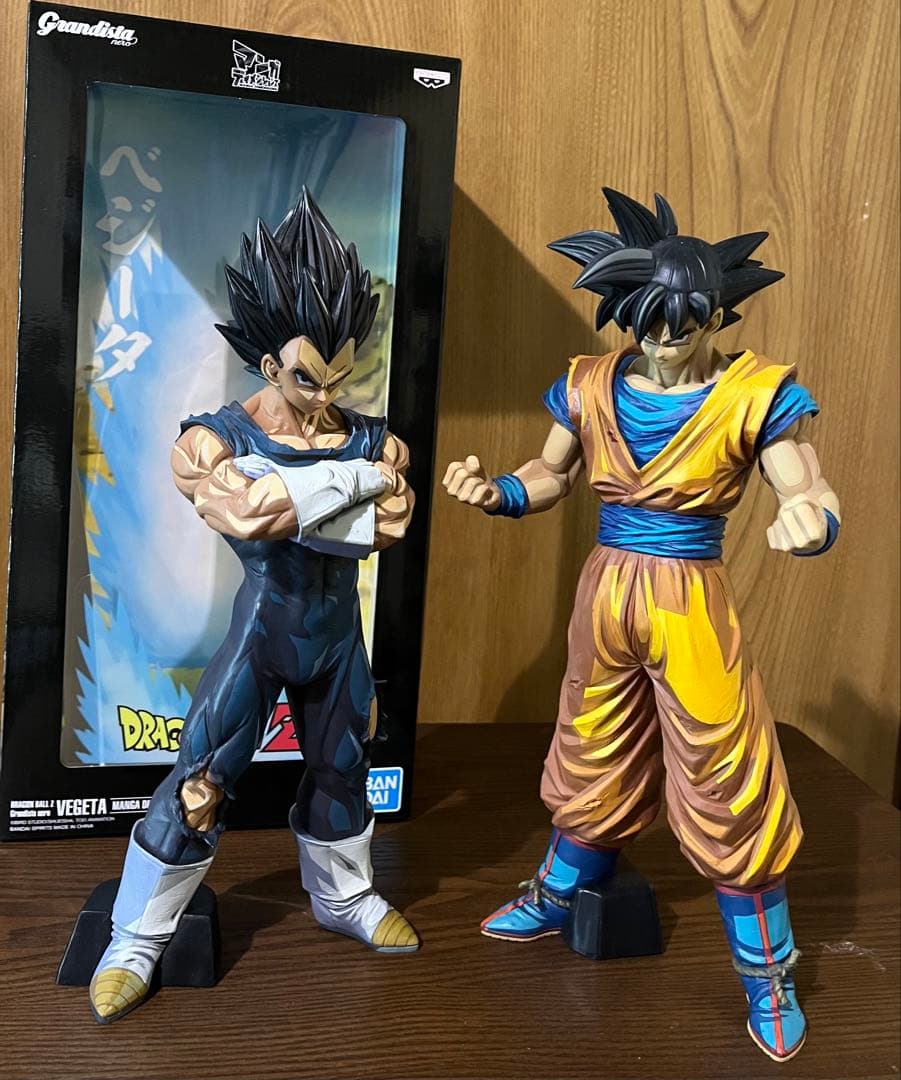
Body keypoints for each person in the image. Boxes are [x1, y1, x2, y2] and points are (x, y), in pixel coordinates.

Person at [443, 188, 840, 1062]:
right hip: (605, 591)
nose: (663, 343)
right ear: (625, 316)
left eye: (682, 326)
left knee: (727, 771)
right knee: (590, 743)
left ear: (714, 316)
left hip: (688, 598)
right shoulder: (589, 382)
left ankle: (766, 975)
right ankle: (558, 894)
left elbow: (805, 485)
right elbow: (549, 474)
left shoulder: (753, 393)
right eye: (648, 325)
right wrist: (498, 493)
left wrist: (810, 518)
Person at [90, 189, 418, 1025]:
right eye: (309, 376)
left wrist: (309, 492)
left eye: (343, 371)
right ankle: (136, 936)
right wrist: (348, 483)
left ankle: (343, 898)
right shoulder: (213, 438)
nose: (327, 393)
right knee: (202, 777)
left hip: (336, 636)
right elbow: (244, 513)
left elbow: (387, 523)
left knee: (344, 766)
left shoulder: (374, 437)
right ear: (268, 364)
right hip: (263, 629)